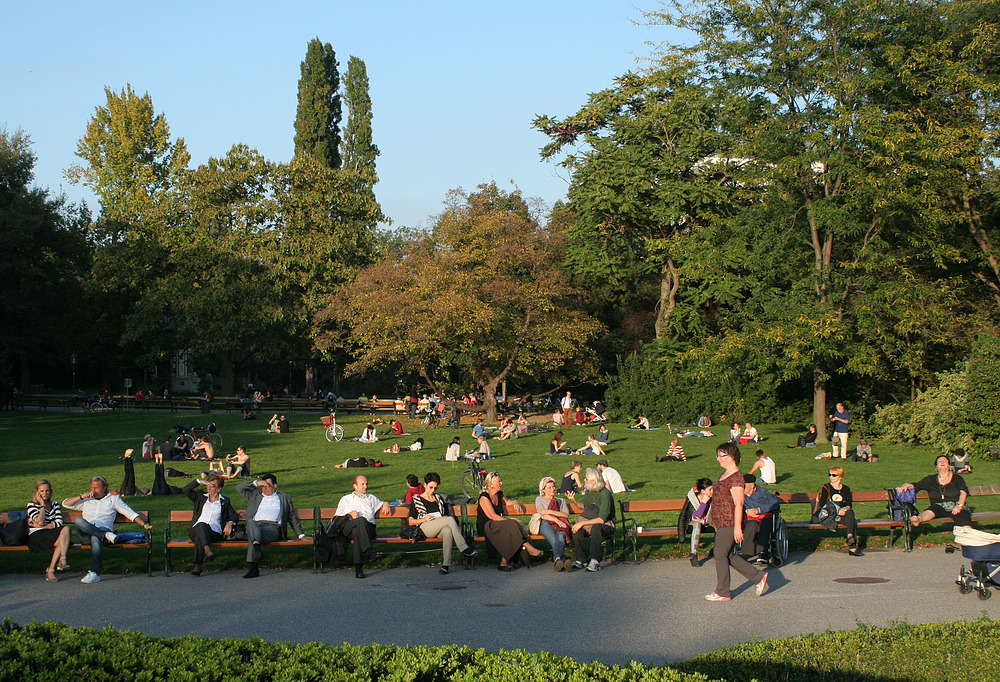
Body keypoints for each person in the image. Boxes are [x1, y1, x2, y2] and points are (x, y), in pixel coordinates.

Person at [705, 442, 769, 601]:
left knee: (719, 553)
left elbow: (739, 504)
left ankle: (722, 591)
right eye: (718, 455)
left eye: (722, 455)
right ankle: (758, 577)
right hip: (721, 520)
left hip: (730, 521)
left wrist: (737, 528)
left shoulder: (736, 478)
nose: (718, 459)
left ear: (732, 456)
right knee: (728, 554)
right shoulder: (725, 474)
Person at [62, 472, 153, 584]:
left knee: (96, 538)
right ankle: (104, 534)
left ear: (104, 488)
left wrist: (145, 525)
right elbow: (65, 504)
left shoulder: (113, 500)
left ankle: (94, 573)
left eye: (96, 488)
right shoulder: (86, 500)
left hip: (101, 537)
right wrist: (81, 497)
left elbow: (130, 514)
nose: (93, 490)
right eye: (92, 487)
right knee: (78, 521)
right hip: (86, 535)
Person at [236, 474, 307, 579]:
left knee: (253, 533)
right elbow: (239, 488)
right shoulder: (255, 495)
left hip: (271, 528)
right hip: (254, 526)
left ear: (275, 485)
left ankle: (254, 567)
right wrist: (255, 483)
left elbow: (292, 517)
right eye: (263, 486)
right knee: (251, 523)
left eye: (268, 485)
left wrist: (301, 535)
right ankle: (256, 546)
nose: (265, 488)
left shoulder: (284, 498)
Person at [406, 472, 478, 574]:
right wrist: (424, 519)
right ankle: (464, 549)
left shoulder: (438, 498)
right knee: (449, 519)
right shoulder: (417, 499)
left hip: (439, 526)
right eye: (430, 487)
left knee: (447, 530)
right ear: (425, 485)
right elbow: (411, 522)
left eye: (435, 488)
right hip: (425, 527)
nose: (433, 490)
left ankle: (446, 565)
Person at [476, 471, 543, 571]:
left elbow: (507, 502)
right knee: (511, 524)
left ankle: (504, 563)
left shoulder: (499, 494)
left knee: (510, 530)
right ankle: (528, 547)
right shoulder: (484, 497)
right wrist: (506, 521)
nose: (501, 483)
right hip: (487, 526)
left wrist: (515, 503)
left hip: (498, 524)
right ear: (491, 484)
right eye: (499, 481)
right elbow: (492, 516)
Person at [330, 475, 391, 578]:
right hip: (348, 527)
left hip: (368, 529)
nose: (365, 486)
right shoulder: (346, 499)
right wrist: (349, 514)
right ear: (355, 486)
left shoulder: (371, 498)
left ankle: (359, 567)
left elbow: (382, 503)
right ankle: (369, 552)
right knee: (360, 522)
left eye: (366, 484)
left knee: (358, 530)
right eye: (362, 484)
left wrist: (386, 504)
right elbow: (337, 517)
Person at [183, 475, 239, 576]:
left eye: (212, 486)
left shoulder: (224, 501)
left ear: (219, 488)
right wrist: (199, 481)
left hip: (214, 532)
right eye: (208, 485)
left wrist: (230, 523)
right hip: (195, 530)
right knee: (201, 525)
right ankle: (207, 549)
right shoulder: (200, 497)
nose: (209, 487)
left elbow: (234, 516)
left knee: (201, 534)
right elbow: (186, 490)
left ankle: (198, 565)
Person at [897, 455, 972, 529]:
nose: (942, 462)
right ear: (936, 467)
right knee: (930, 511)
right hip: (938, 506)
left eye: (944, 461)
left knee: (963, 519)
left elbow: (963, 492)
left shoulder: (957, 478)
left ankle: (970, 535)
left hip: (955, 505)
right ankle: (918, 519)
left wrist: (959, 505)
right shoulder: (931, 479)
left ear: (949, 465)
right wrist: (905, 485)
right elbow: (916, 485)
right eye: (939, 461)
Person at [570, 468, 615, 572]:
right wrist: (574, 500)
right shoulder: (590, 491)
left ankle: (595, 561)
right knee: (577, 531)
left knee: (596, 529)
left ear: (594, 481)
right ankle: (581, 560)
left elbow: (602, 519)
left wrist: (581, 523)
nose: (584, 481)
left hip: (607, 524)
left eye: (586, 479)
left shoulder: (605, 494)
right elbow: (582, 506)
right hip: (590, 521)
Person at [27, 479, 71, 582]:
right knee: (63, 538)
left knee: (66, 530)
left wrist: (41, 526)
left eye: (47, 491)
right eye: (42, 491)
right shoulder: (31, 505)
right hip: (36, 535)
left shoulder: (55, 504)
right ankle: (58, 564)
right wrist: (42, 505)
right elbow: (40, 521)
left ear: (50, 491)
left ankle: (55, 566)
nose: (45, 493)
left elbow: (59, 523)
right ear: (37, 492)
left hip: (49, 533)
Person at [813, 466, 862, 556]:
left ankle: (850, 536)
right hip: (830, 515)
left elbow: (849, 504)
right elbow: (823, 503)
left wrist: (844, 509)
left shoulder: (846, 489)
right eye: (829, 474)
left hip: (842, 515)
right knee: (852, 521)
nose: (831, 477)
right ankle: (852, 547)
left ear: (840, 476)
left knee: (850, 513)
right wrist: (836, 510)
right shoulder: (826, 487)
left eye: (834, 475)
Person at [740, 473, 781, 566]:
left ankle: (763, 553)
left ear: (752, 485)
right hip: (750, 518)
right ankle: (746, 552)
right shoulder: (740, 494)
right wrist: (747, 512)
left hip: (764, 516)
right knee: (751, 525)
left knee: (765, 525)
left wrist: (759, 510)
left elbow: (775, 504)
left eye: (744, 485)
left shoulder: (763, 492)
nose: (742, 487)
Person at [535, 476, 574, 571]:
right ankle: (563, 558)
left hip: (561, 524)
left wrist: (549, 512)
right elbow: (542, 514)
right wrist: (556, 519)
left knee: (560, 535)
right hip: (546, 523)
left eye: (553, 487)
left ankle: (557, 559)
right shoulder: (539, 499)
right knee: (554, 539)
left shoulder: (561, 501)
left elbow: (565, 514)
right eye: (549, 487)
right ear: (543, 490)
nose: (552, 489)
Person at [686, 478, 713, 566]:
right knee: (697, 525)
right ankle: (693, 554)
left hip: (708, 521)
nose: (713, 491)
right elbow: (696, 517)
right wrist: (704, 503)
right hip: (692, 522)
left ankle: (719, 551)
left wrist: (704, 521)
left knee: (719, 525)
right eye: (710, 489)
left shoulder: (713, 498)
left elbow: (714, 515)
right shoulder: (693, 498)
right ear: (703, 491)